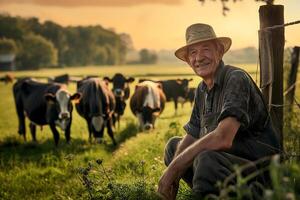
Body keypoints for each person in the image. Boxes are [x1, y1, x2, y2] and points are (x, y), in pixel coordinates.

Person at [157, 23, 281, 199]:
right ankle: (210, 191)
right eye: (193, 52)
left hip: (260, 174)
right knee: (173, 147)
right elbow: (192, 134)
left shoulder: (235, 78)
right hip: (228, 166)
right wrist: (173, 170)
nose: (199, 57)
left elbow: (223, 138)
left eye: (205, 49)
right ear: (188, 61)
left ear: (220, 51)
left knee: (205, 159)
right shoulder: (201, 89)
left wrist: (175, 168)